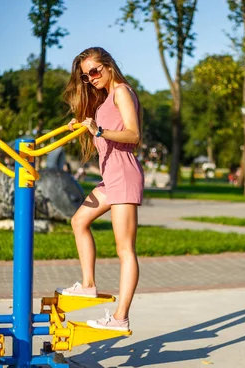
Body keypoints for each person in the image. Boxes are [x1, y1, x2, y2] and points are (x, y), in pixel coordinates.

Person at [57, 47, 144, 332]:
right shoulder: (105, 100)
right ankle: (88, 285)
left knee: (124, 249)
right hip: (111, 179)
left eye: (94, 71)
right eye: (85, 76)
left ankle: (120, 317)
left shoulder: (121, 91)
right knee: (78, 221)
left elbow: (133, 134)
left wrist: (98, 131)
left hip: (125, 176)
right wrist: (83, 127)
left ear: (108, 65)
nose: (91, 78)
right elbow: (99, 130)